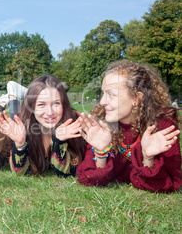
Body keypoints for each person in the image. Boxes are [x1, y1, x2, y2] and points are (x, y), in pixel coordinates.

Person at [77, 60, 181, 193]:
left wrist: (148, 158)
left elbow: (171, 183)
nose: (102, 102)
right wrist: (101, 151)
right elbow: (88, 178)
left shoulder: (162, 125)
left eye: (111, 94)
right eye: (103, 93)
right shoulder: (103, 122)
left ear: (136, 98)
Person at [0, 75, 85, 177]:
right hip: (22, 118)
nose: (50, 112)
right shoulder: (22, 124)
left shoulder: (75, 123)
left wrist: (59, 142)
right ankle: (10, 98)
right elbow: (20, 172)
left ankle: (13, 97)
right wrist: (20, 144)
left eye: (56, 103)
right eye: (41, 104)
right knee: (13, 116)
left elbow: (66, 172)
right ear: (31, 107)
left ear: (64, 104)